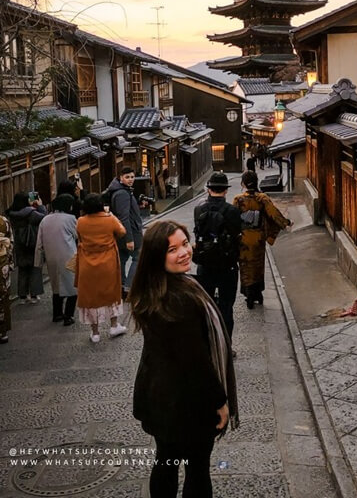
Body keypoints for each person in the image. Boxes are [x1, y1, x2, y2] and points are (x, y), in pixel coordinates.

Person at [129, 220, 239, 498]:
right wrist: (220, 402)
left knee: (166, 460)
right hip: (187, 402)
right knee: (197, 469)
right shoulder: (180, 298)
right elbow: (196, 361)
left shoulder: (156, 290)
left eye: (185, 243)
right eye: (172, 249)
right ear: (157, 256)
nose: (184, 252)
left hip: (159, 397)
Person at [193, 172, 241, 346]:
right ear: (225, 191)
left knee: (207, 305)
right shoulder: (233, 212)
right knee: (227, 306)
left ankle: (208, 343)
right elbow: (237, 237)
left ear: (209, 189)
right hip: (227, 265)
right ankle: (225, 345)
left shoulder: (198, 209)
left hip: (204, 264)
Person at [233, 170, 292, 309]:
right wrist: (286, 222)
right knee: (258, 266)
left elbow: (232, 217)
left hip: (244, 237)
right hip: (258, 236)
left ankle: (248, 294)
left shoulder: (238, 199)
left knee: (246, 267)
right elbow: (273, 214)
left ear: (243, 183)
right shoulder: (262, 198)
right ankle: (258, 293)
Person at [75, 193, 127, 343]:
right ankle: (114, 325)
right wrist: (110, 214)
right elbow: (122, 232)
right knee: (111, 292)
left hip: (87, 262)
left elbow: (79, 236)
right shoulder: (109, 219)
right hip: (108, 261)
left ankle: (95, 332)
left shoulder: (81, 221)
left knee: (91, 296)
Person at [35, 194, 78, 326]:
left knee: (56, 286)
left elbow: (39, 243)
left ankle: (57, 314)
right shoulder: (70, 218)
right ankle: (68, 316)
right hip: (69, 255)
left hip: (51, 256)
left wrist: (37, 262)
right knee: (72, 287)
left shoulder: (45, 219)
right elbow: (77, 234)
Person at [105, 167, 143, 295]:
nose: (131, 179)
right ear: (120, 178)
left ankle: (121, 285)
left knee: (122, 258)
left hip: (121, 233)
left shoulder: (122, 191)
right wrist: (129, 239)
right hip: (130, 232)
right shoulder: (122, 193)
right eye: (127, 177)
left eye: (132, 177)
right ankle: (128, 286)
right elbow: (124, 217)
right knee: (139, 258)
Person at [6, 191, 47, 304]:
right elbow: (44, 218)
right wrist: (40, 206)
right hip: (32, 243)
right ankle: (34, 295)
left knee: (23, 270)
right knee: (35, 269)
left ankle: (23, 296)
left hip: (19, 245)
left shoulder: (12, 214)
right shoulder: (30, 213)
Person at [0, 216, 14, 343]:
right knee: (2, 295)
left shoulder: (3, 221)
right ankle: (2, 331)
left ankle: (2, 330)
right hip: (2, 261)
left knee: (2, 295)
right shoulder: (3, 221)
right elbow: (10, 243)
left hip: (1, 262)